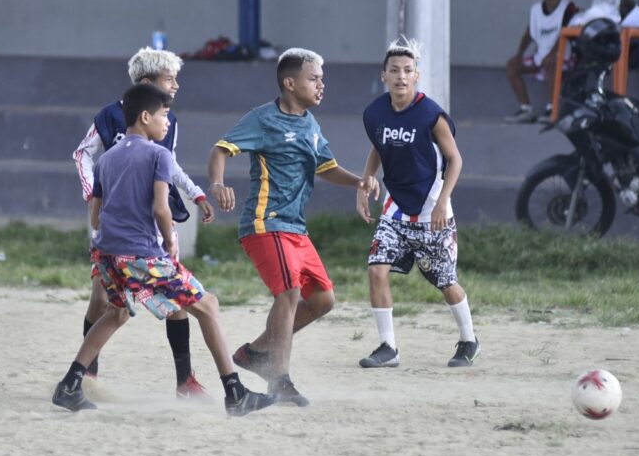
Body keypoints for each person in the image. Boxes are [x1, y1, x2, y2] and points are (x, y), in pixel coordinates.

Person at [53, 84, 275, 416]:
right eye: (163, 115)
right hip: (143, 254)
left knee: (116, 312)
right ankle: (235, 392)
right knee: (209, 306)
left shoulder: (106, 159)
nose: (167, 122)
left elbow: (96, 214)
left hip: (107, 254)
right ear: (145, 117)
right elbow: (160, 207)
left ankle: (69, 385)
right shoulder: (159, 154)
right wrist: (170, 238)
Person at [208, 48, 376, 407]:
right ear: (290, 82)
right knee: (288, 295)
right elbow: (221, 149)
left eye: (321, 79)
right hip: (265, 224)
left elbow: (326, 167)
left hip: (296, 230)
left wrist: (360, 182)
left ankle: (256, 353)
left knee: (323, 300)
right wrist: (219, 185)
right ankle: (279, 381)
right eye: (314, 78)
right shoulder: (263, 119)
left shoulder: (310, 124)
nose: (321, 85)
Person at [72, 47, 213, 398]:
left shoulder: (169, 120)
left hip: (152, 224)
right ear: (148, 83)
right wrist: (94, 195)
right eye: (169, 79)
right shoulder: (109, 116)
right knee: (103, 302)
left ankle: (186, 380)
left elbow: (170, 163)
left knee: (176, 302)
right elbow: (82, 155)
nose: (176, 86)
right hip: (117, 224)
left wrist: (195, 192)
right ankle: (87, 378)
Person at [356, 37, 479, 369]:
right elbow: (378, 147)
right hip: (396, 208)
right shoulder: (376, 112)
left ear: (417, 76)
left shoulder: (430, 114)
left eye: (407, 70)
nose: (401, 76)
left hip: (431, 208)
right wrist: (366, 180)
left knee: (445, 281)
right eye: (394, 70)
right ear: (383, 75)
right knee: (376, 269)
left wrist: (442, 202)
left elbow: (455, 160)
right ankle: (388, 348)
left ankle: (469, 339)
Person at [504, 0, 579, 124]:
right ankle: (526, 109)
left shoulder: (568, 8)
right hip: (541, 57)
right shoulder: (536, 10)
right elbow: (529, 34)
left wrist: (552, 54)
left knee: (552, 64)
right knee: (512, 66)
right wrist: (519, 55)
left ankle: (552, 109)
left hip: (564, 58)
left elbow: (565, 34)